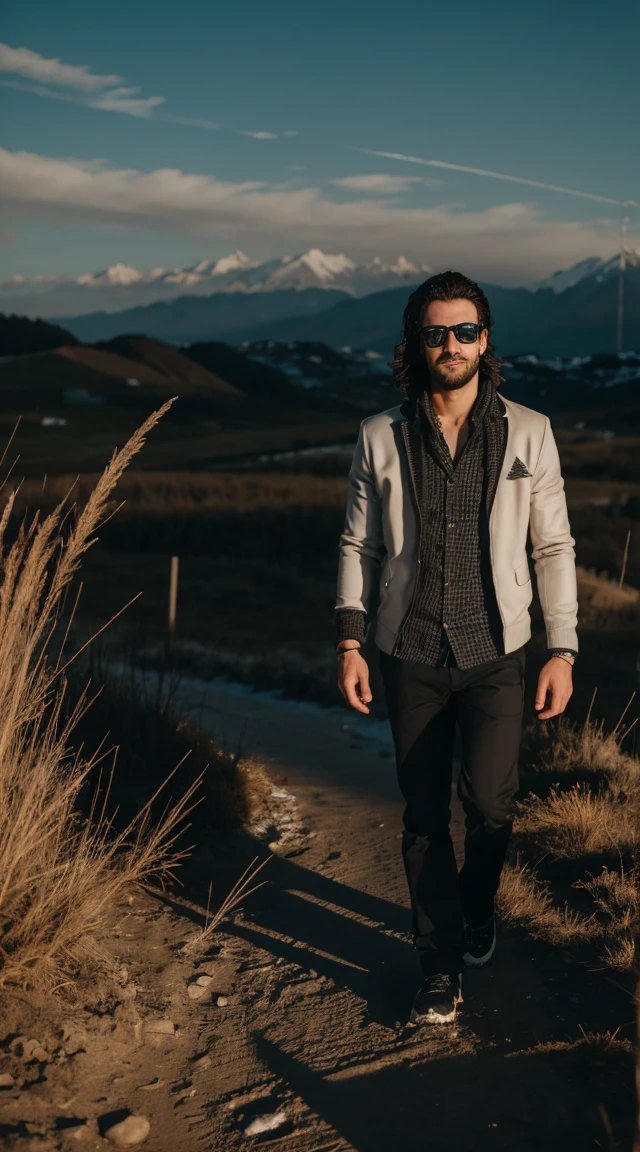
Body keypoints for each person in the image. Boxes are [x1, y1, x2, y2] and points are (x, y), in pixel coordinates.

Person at [334, 270, 578, 1025]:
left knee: (493, 805)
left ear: (486, 340)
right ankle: (437, 965)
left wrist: (561, 648)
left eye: (464, 330)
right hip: (408, 651)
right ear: (416, 341)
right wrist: (350, 639)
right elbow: (358, 545)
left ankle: (478, 909)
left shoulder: (530, 431)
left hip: (498, 652)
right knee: (422, 816)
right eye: (435, 332)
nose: (451, 344)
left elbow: (554, 546)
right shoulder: (381, 435)